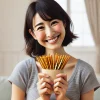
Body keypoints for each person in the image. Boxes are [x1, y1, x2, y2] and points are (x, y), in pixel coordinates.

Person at [8, 0, 100, 100]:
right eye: (40, 27)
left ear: (64, 22)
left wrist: (63, 98)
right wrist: (42, 98)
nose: (50, 33)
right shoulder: (24, 70)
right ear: (33, 34)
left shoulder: (84, 72)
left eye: (54, 22)